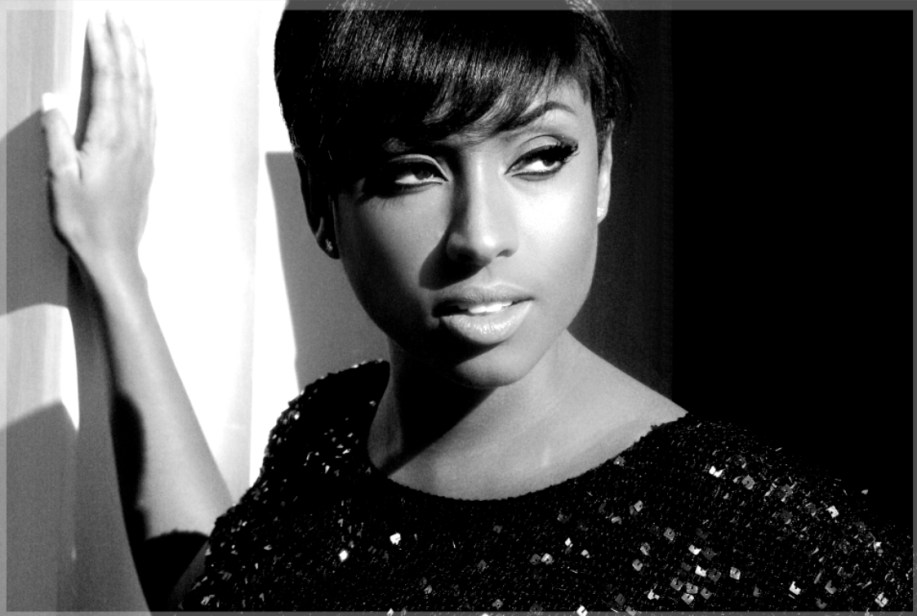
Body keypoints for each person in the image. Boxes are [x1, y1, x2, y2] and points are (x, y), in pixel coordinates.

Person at [40, 1, 913, 612]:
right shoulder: (329, 433)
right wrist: (114, 264)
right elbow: (218, 593)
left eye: (540, 157)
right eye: (409, 171)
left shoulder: (760, 539)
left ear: (602, 171)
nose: (480, 236)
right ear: (319, 205)